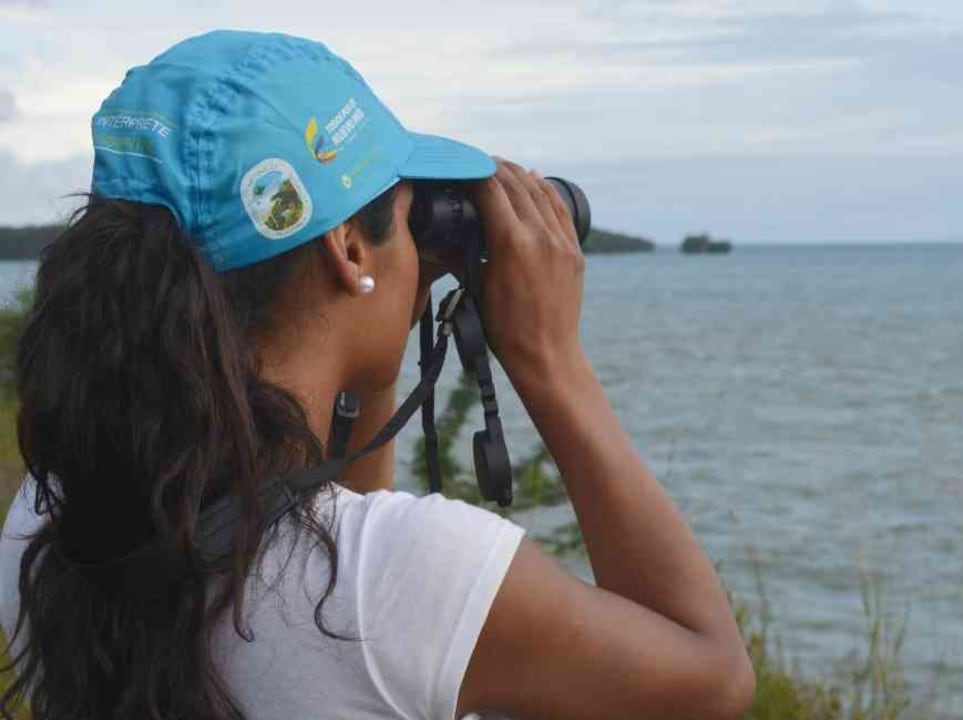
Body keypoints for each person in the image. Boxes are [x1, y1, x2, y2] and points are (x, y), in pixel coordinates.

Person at [0, 30, 754, 720]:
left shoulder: (50, 520)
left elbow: (325, 517)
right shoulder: (400, 582)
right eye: (405, 209)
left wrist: (378, 349)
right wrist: (548, 359)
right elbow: (713, 680)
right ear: (348, 251)